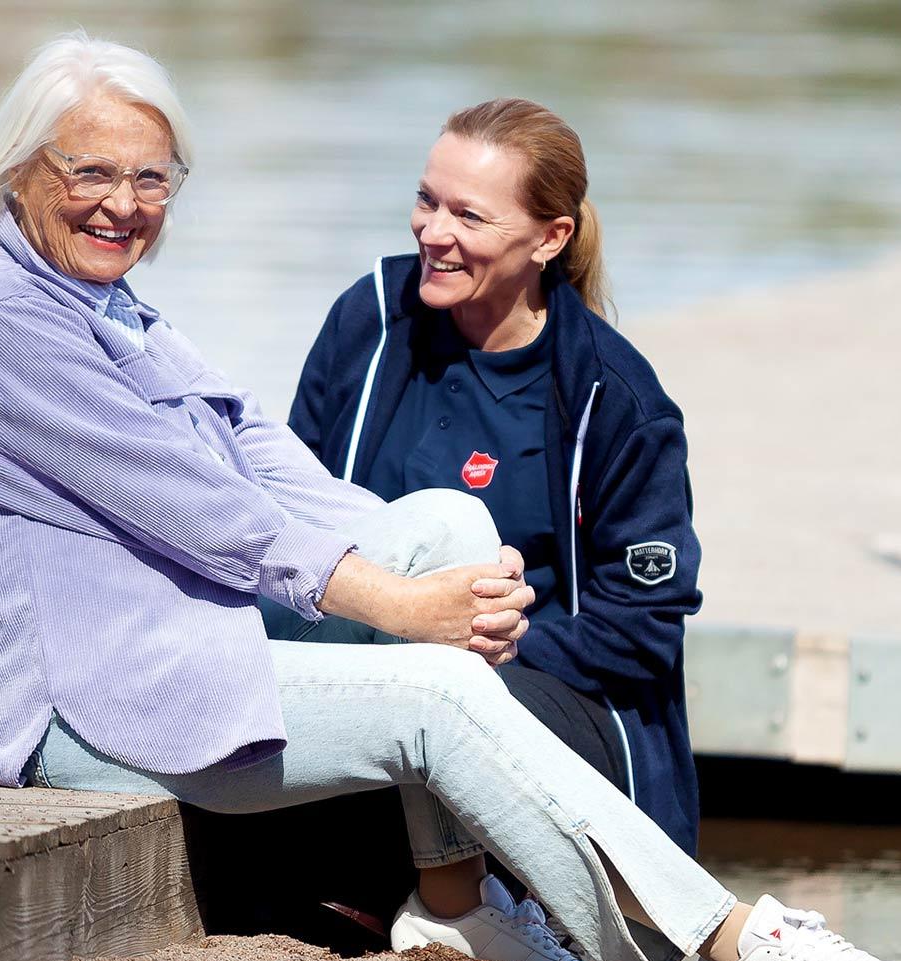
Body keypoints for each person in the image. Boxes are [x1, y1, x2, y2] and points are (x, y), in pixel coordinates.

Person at [0, 31, 901, 961]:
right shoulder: (3, 329)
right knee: (430, 687)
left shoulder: (116, 314)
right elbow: (211, 518)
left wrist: (440, 584)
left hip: (166, 650)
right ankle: (716, 941)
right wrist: (398, 610)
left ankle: (453, 911)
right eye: (92, 173)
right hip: (80, 702)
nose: (124, 205)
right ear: (21, 170)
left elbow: (269, 464)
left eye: (151, 178)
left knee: (446, 523)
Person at [289, 98, 702, 852]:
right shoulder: (369, 322)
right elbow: (287, 508)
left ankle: (461, 896)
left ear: (551, 238)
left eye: (469, 217)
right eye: (426, 200)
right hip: (366, 659)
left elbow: (642, 634)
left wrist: (492, 642)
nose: (433, 233)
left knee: (441, 696)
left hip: (549, 693)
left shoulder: (617, 399)